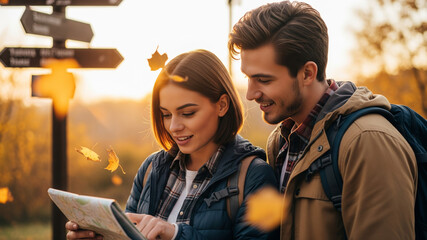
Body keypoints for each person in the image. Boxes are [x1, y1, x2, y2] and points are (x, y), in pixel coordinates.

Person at [228, 1, 417, 239]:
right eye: (248, 78)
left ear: (307, 73)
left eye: (264, 80)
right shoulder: (282, 141)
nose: (250, 94)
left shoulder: (367, 143)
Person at [65, 49, 278, 240]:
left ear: (222, 105)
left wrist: (175, 234)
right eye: (166, 114)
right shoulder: (152, 168)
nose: (174, 126)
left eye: (187, 113)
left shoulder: (254, 177)